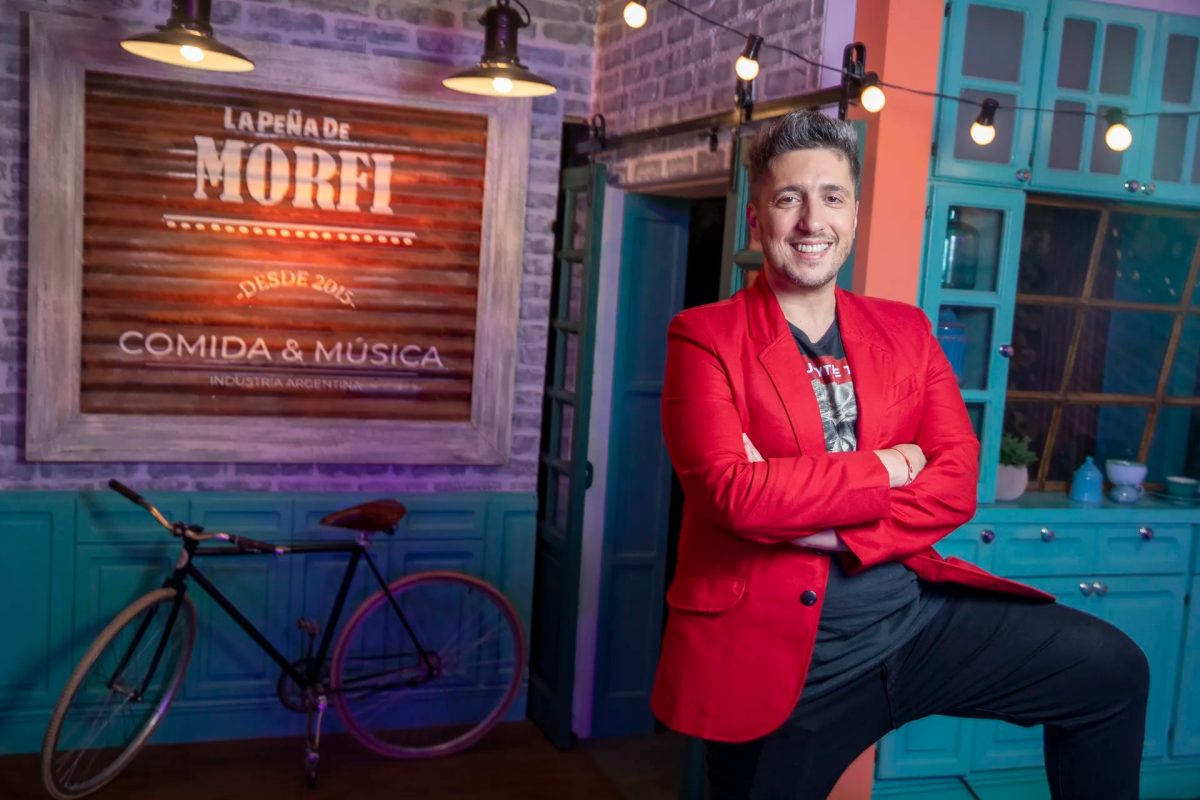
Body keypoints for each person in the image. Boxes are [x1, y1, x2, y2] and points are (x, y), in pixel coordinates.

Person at [650, 110, 1149, 800]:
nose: (812, 220)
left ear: (853, 217)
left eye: (832, 197)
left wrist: (822, 524)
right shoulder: (704, 336)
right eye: (790, 198)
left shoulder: (905, 330)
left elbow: (956, 482)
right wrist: (888, 466)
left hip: (914, 623)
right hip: (789, 665)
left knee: (1111, 672)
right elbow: (733, 495)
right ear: (758, 221)